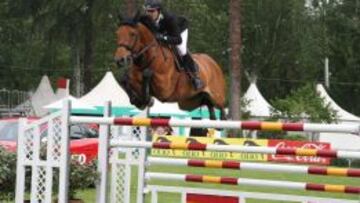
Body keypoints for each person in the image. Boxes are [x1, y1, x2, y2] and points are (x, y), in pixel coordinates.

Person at [143, 0, 204, 90]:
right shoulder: (146, 19)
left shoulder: (169, 18)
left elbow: (178, 40)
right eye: (147, 11)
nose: (149, 14)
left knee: (181, 49)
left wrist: (163, 38)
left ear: (158, 11)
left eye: (152, 11)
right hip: (165, 32)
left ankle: (194, 76)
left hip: (179, 30)